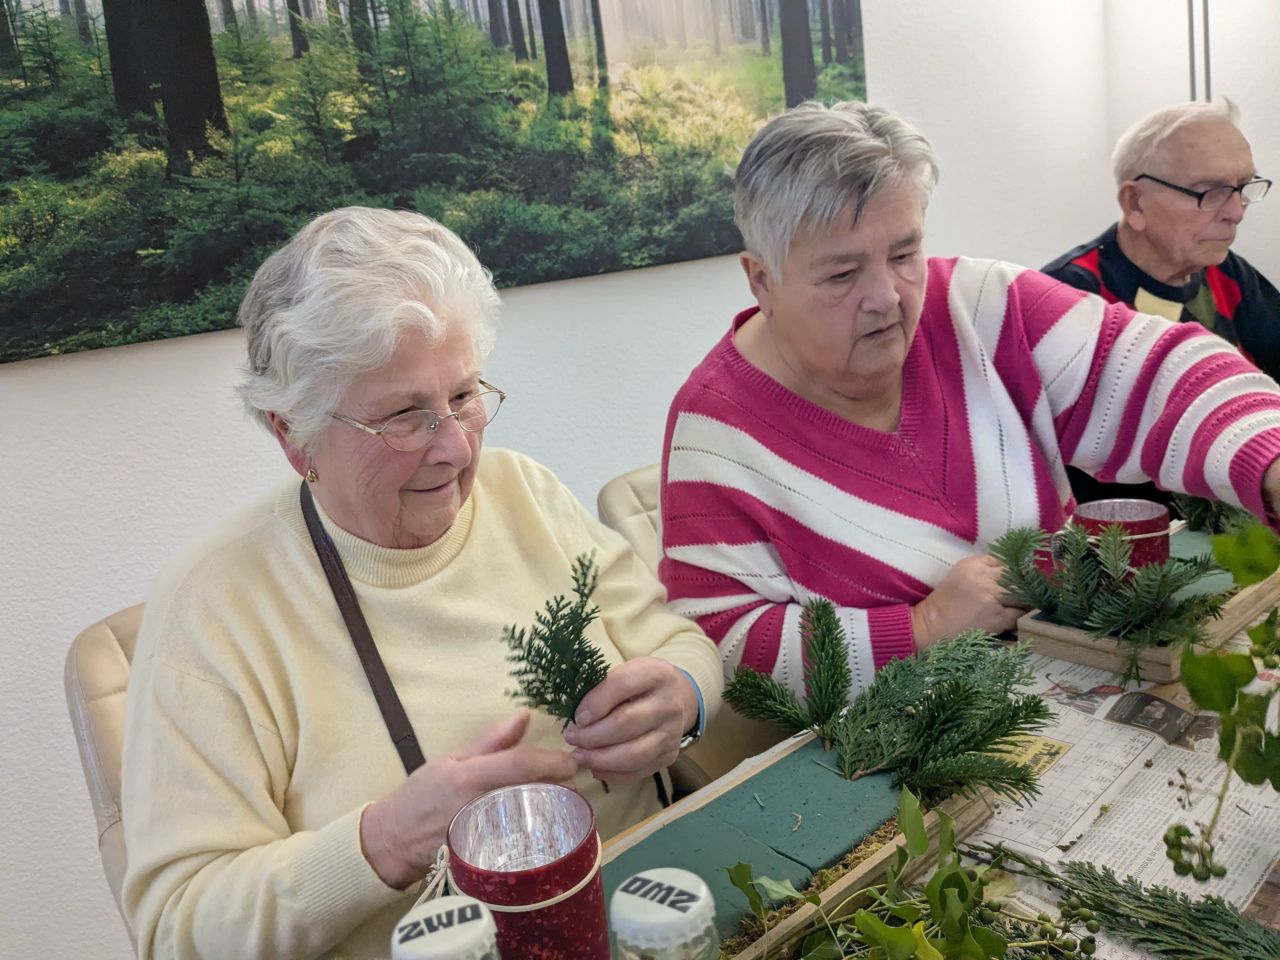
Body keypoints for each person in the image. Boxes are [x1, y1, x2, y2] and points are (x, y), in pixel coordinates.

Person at [121, 207, 722, 960]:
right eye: (405, 417)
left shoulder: (523, 491)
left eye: (465, 396)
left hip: (649, 919)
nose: (456, 449)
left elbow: (676, 642)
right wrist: (381, 844)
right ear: (291, 432)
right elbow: (178, 927)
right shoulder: (214, 609)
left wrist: (683, 696)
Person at [659, 100, 1280, 698]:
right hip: (886, 742)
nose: (888, 295)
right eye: (842, 275)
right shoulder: (715, 429)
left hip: (1061, 679)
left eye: (904, 254)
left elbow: (1158, 369)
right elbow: (725, 646)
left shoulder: (980, 303)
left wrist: (1270, 461)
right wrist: (923, 629)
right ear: (761, 279)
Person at [1042, 99, 1277, 504]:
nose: (1236, 212)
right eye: (1210, 192)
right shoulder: (1069, 296)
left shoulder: (1225, 272)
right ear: (1135, 203)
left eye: (1242, 188)